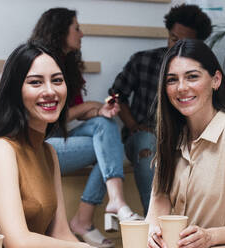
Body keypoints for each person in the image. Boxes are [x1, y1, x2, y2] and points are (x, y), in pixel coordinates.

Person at [0, 42, 95, 248]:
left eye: (57, 80)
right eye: (36, 82)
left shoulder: (49, 153)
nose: (50, 91)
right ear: (15, 91)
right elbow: (17, 241)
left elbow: (61, 234)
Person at [29, 8, 141, 248]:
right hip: (39, 143)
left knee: (105, 125)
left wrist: (101, 110)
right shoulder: (36, 63)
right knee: (108, 145)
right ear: (59, 31)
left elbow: (75, 115)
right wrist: (92, 106)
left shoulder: (69, 66)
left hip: (63, 137)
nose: (82, 34)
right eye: (76, 28)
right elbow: (49, 118)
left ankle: (107, 207)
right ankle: (91, 216)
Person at [146, 39, 225, 248]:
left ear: (216, 80)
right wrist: (152, 233)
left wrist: (210, 236)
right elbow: (155, 215)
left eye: (192, 77)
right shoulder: (170, 141)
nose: (181, 88)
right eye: (172, 80)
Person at [109, 4, 212, 215]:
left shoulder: (202, 72)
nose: (175, 46)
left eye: (184, 43)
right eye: (173, 38)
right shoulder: (143, 60)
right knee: (147, 147)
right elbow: (115, 95)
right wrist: (132, 125)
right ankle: (155, 227)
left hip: (181, 139)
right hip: (143, 138)